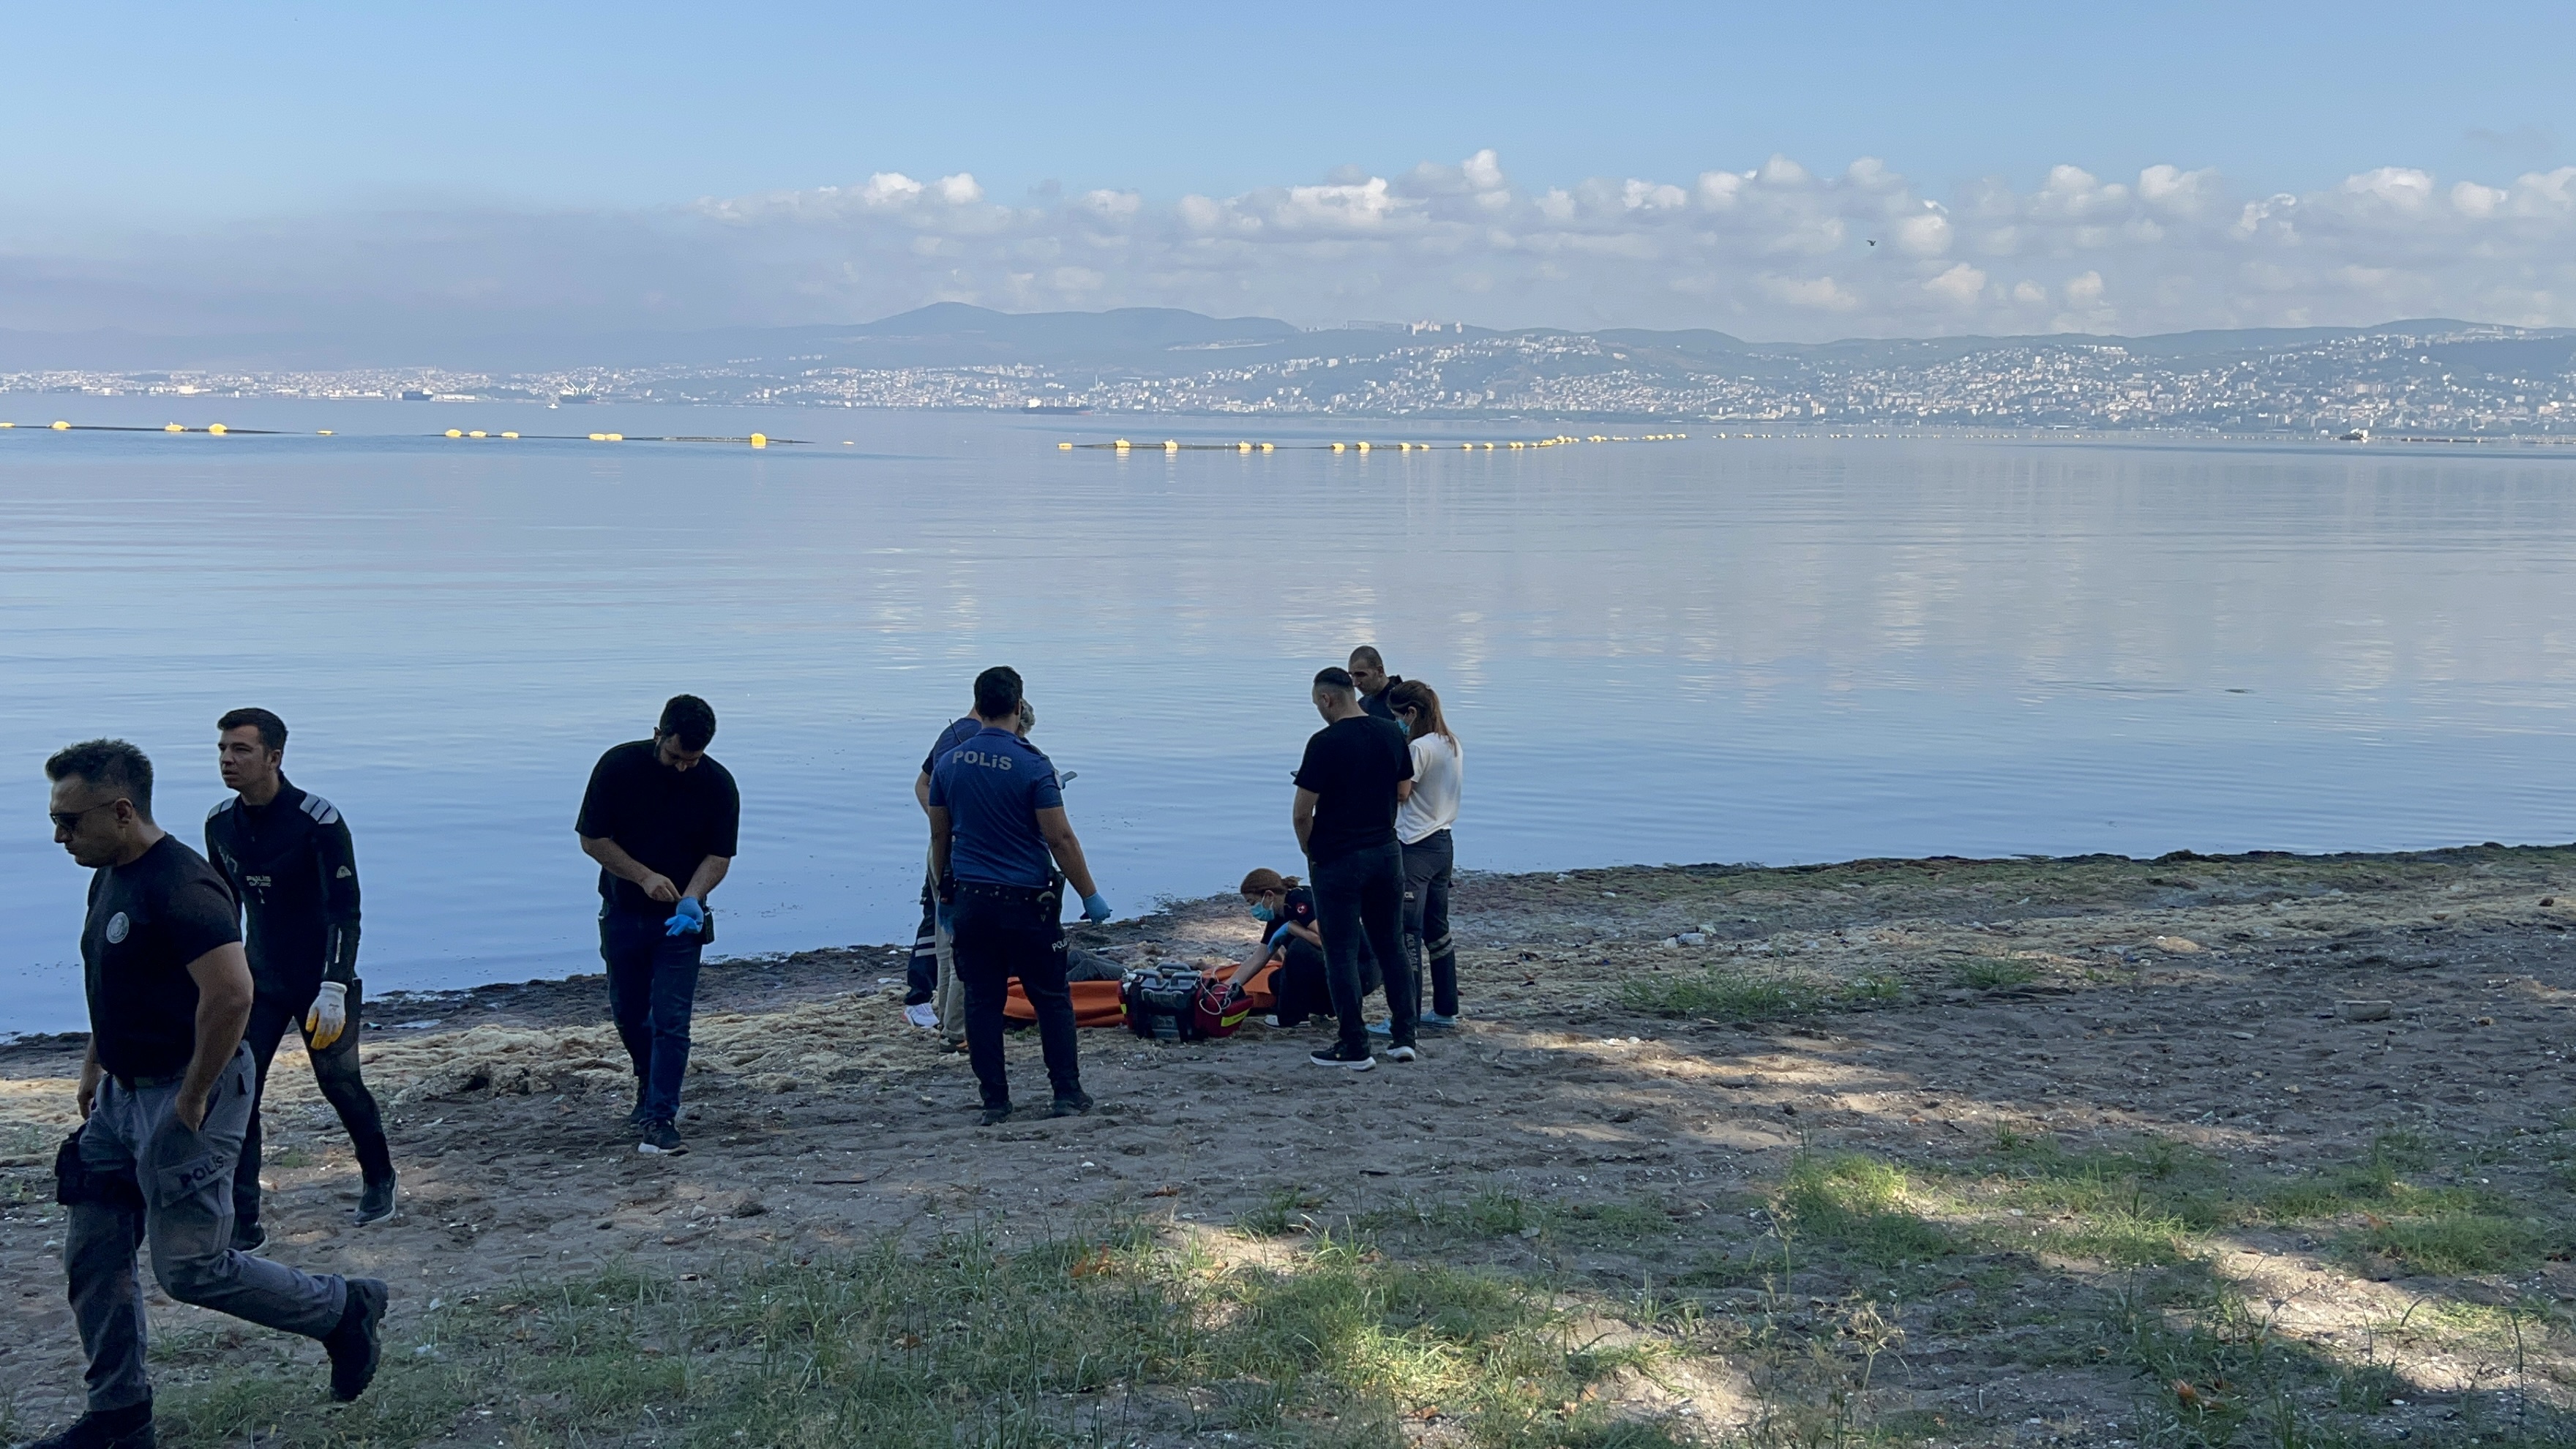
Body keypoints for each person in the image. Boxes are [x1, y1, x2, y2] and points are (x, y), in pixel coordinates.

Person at [37, 739, 385, 1449]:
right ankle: (119, 1419)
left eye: (70, 821)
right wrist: (94, 1062)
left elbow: (232, 995)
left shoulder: (182, 887)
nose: (58, 836)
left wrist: (193, 1098)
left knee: (191, 1269)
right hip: (119, 1101)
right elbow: (117, 978)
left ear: (123, 811)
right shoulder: (109, 874)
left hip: (191, 1091)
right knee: (94, 1253)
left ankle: (343, 1309)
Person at [203, 708, 396, 1251]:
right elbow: (223, 911)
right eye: (222, 749)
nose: (227, 760)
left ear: (274, 758)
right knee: (239, 1092)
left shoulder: (319, 821)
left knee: (339, 1083)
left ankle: (379, 1178)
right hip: (258, 981)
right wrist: (216, 978)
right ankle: (245, 1217)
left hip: (321, 981)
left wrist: (334, 984)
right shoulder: (220, 823)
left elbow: (345, 911)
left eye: (241, 750)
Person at [926, 667, 1110, 1125]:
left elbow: (939, 839)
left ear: (978, 703)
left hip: (972, 900)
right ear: (1018, 705)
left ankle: (995, 1101)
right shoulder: (1033, 764)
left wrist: (944, 898)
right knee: (1050, 997)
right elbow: (1060, 838)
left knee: (983, 1000)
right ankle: (1066, 1093)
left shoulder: (950, 762)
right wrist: (1090, 895)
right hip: (1028, 902)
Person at [576, 694, 738, 1156]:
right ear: (658, 734)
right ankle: (648, 1082)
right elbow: (593, 839)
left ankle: (661, 1117)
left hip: (681, 924)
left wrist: (693, 897)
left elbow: (719, 855)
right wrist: (643, 877)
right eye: (676, 757)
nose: (684, 767)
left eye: (694, 759)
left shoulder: (718, 784)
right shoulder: (617, 767)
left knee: (673, 1019)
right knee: (628, 1012)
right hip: (624, 910)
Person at [1293, 667, 1418, 1069]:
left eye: (1317, 704)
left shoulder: (1324, 743)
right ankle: (1404, 1035)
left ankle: (1354, 1044)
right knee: (1392, 945)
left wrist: (1311, 853)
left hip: (1339, 858)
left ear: (1328, 699)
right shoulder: (1390, 732)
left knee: (1341, 951)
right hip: (1385, 851)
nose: (1319, 711)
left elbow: (1301, 813)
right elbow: (1403, 791)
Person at [1384, 680, 1463, 1033]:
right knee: (1438, 931)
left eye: (1397, 717)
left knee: (1407, 932)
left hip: (1414, 845)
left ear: (1411, 713)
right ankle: (1445, 1008)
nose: (1396, 723)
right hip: (1443, 843)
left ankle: (1407, 1017)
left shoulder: (1419, 747)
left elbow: (1402, 793)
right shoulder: (1451, 743)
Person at [907, 702, 986, 1032]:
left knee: (937, 915)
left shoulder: (949, 734)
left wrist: (939, 821)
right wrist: (949, 823)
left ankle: (925, 999)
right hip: (963, 847)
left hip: (945, 841)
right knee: (953, 927)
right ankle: (934, 1009)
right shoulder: (978, 739)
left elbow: (921, 785)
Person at [1228, 868, 1330, 1028]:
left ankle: (1292, 1018)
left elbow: (1325, 941)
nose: (1253, 910)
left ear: (1269, 895)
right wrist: (1228, 987)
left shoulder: (1300, 899)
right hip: (1329, 971)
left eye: (1253, 903)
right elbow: (1258, 959)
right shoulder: (1278, 916)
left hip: (1358, 965)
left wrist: (1292, 928)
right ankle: (1314, 1012)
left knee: (1299, 949)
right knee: (1277, 980)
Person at [1348, 645, 1404, 724]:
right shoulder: (1361, 705)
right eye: (1352, 676)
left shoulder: (1403, 701)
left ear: (1380, 671)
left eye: (1361, 675)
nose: (1355, 683)